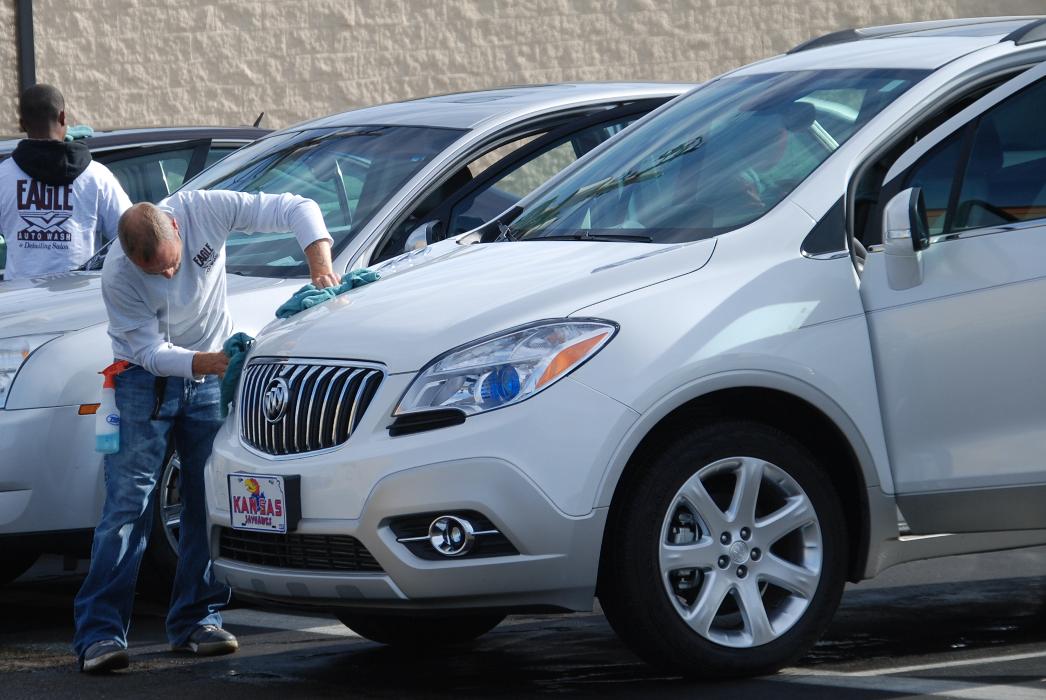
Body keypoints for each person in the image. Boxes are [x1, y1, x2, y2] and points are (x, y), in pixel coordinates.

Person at [73, 189, 340, 673]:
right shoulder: (117, 273)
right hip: (142, 382)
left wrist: (320, 267)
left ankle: (198, 620)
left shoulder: (204, 208)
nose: (170, 276)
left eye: (173, 264)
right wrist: (209, 362)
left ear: (177, 227)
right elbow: (150, 352)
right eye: (156, 273)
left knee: (204, 499)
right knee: (126, 508)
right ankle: (99, 634)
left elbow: (296, 207)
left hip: (208, 379)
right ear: (130, 257)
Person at [0, 84, 129, 280]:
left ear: (22, 123)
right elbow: (130, 236)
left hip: (20, 302)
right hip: (76, 301)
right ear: (62, 117)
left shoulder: (3, 176)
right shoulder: (97, 176)